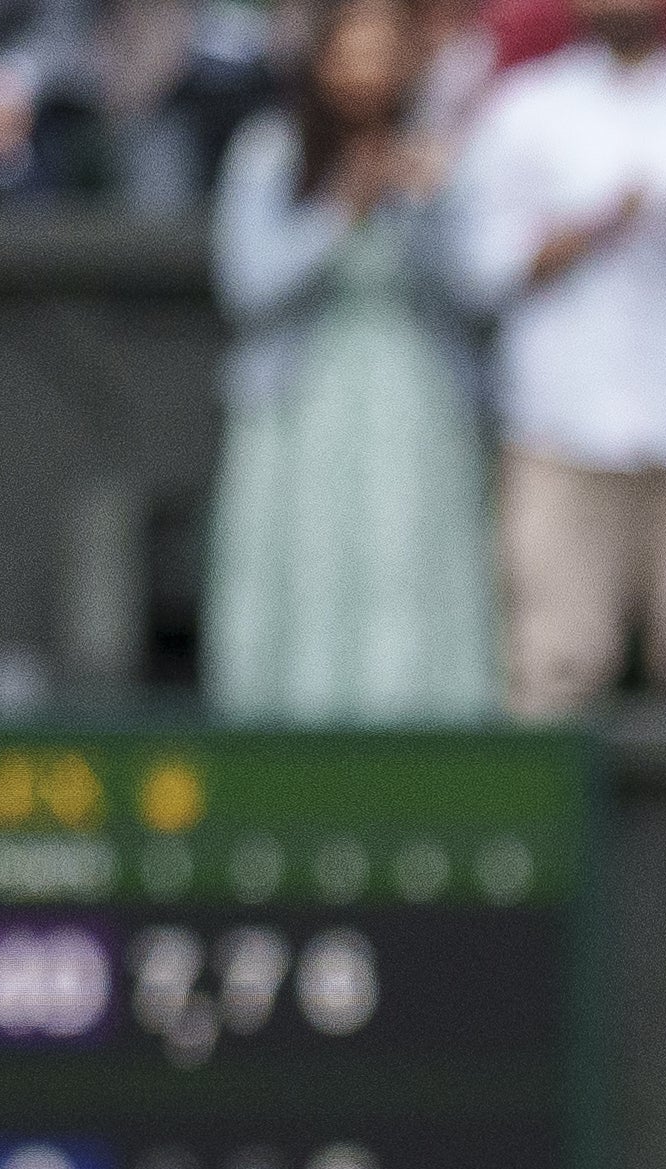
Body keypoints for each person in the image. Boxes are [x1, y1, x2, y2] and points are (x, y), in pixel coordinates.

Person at [447, 0, 666, 719]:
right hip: (563, 424)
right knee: (556, 664)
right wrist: (591, 229)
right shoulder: (524, 108)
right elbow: (478, 268)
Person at [210, 0, 496, 720]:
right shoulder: (270, 150)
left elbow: (473, 295)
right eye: (352, 52)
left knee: (405, 556)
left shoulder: (435, 152)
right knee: (304, 559)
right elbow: (249, 285)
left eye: (383, 53)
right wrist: (344, 207)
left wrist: (423, 204)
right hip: (301, 398)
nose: (367, 73)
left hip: (411, 392)